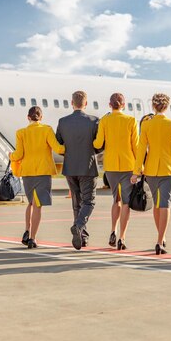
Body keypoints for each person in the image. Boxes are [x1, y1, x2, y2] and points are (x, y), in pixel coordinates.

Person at [131, 93, 171, 255]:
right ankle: (160, 240)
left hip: (151, 170)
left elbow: (141, 150)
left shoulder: (147, 125)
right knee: (166, 205)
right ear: (167, 106)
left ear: (153, 107)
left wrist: (136, 171)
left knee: (156, 204)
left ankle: (160, 237)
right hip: (168, 170)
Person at [9, 106, 65, 249]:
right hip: (43, 171)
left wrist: (10, 156)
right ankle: (32, 238)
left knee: (30, 203)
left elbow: (19, 154)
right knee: (38, 206)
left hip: (27, 172)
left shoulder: (21, 132)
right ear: (41, 117)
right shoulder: (46, 130)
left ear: (28, 117)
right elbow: (58, 149)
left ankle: (27, 230)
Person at [93, 93, 138, 250]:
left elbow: (98, 142)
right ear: (124, 105)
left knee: (116, 199)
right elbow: (136, 146)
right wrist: (139, 168)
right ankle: (122, 237)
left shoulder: (104, 120)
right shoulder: (130, 121)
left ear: (110, 105)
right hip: (128, 165)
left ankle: (113, 230)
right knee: (126, 202)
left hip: (111, 166)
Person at [56, 90, 100, 250]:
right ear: (86, 104)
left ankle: (82, 237)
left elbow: (59, 144)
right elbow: (100, 144)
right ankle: (78, 226)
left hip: (70, 167)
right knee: (89, 201)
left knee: (77, 203)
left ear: (71, 103)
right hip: (87, 167)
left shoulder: (63, 122)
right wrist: (92, 153)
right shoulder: (94, 121)